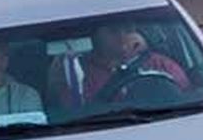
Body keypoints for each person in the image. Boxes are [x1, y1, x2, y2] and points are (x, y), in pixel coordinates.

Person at [50, 22, 191, 107]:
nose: (123, 36)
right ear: (95, 36)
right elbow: (74, 112)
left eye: (128, 30)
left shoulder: (161, 64)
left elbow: (187, 97)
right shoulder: (76, 73)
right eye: (113, 31)